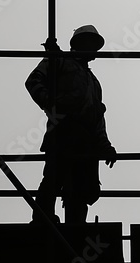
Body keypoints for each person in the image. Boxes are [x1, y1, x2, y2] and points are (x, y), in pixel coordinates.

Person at [26, 25, 118, 224]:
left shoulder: (94, 83)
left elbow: (97, 119)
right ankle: (43, 222)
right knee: (53, 180)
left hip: (85, 144)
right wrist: (52, 105)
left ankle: (75, 227)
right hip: (62, 134)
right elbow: (33, 81)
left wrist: (105, 146)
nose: (93, 49)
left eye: (95, 45)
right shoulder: (60, 62)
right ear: (79, 44)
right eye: (90, 43)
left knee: (80, 191)